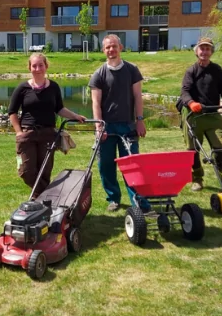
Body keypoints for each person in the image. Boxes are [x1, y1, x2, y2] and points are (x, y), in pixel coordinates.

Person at [8, 53, 86, 198]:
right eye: (34, 65)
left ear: (46, 66)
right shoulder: (22, 88)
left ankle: (39, 199)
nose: (38, 69)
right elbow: (12, 112)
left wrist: (75, 116)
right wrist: (19, 132)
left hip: (48, 134)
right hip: (27, 134)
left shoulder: (54, 87)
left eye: (41, 65)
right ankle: (50, 194)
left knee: (45, 170)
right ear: (29, 67)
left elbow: (59, 109)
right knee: (25, 170)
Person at [88, 34, 147, 212]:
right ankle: (113, 198)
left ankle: (136, 200)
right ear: (103, 50)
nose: (111, 50)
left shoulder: (132, 70)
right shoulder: (99, 74)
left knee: (132, 166)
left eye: (114, 46)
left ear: (120, 47)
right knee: (106, 165)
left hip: (128, 126)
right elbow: (96, 103)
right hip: (106, 127)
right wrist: (99, 127)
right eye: (107, 47)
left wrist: (140, 120)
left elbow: (137, 96)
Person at [179, 37, 222, 191]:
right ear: (197, 51)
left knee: (221, 148)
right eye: (202, 48)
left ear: (211, 52)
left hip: (213, 115)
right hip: (193, 116)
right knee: (192, 150)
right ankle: (197, 179)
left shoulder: (217, 70)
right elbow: (184, 92)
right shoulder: (191, 71)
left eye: (208, 49)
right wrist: (192, 103)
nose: (204, 51)